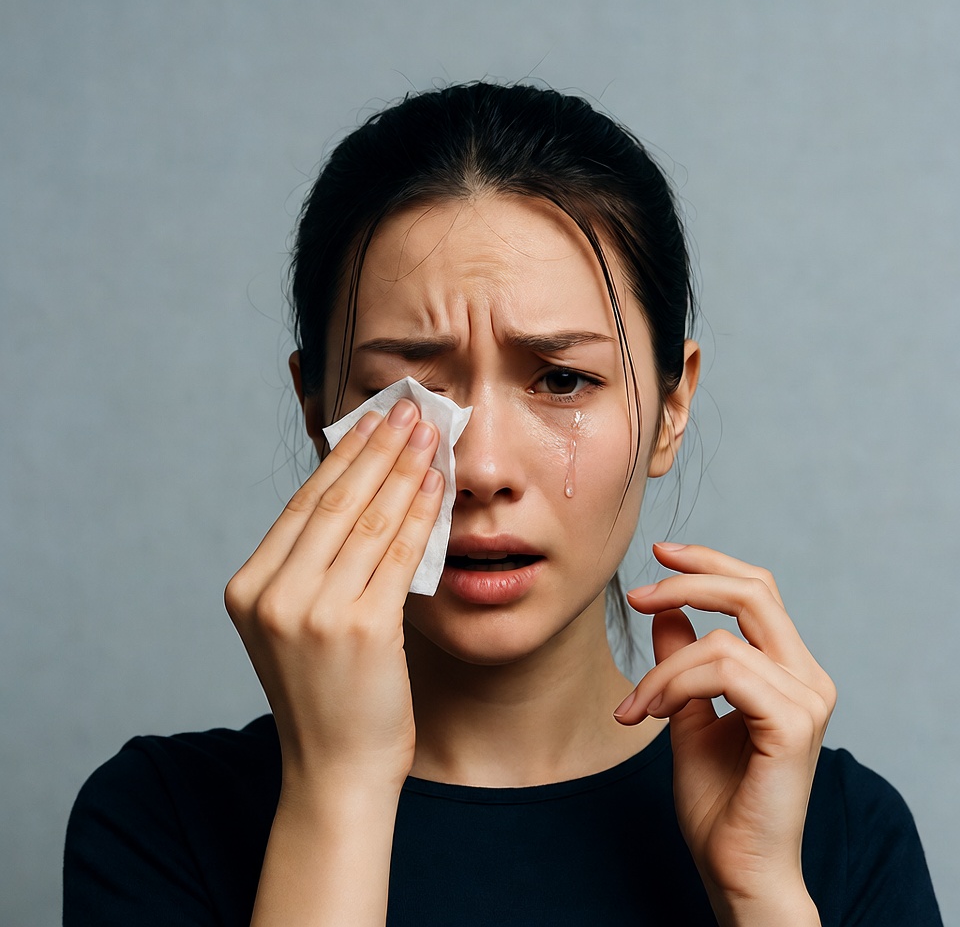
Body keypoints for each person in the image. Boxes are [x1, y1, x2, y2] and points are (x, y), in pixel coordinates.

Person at [63, 82, 942, 926]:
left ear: (672, 407)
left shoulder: (838, 835)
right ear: (317, 411)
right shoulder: (160, 822)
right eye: (409, 385)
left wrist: (761, 898)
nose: (481, 466)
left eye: (563, 378)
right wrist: (341, 786)